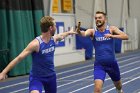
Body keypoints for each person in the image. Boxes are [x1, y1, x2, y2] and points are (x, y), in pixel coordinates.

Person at [0, 16, 76, 93]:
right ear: (51, 28)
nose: (56, 27)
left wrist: (69, 32)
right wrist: (3, 72)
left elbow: (62, 35)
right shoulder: (35, 44)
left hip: (51, 77)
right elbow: (18, 58)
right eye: (55, 25)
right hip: (37, 78)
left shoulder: (54, 39)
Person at [76, 11, 128, 93]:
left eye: (100, 17)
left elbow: (125, 36)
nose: (97, 19)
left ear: (105, 19)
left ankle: (119, 90)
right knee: (97, 90)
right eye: (96, 18)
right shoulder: (92, 31)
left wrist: (112, 36)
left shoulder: (111, 29)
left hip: (112, 64)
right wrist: (79, 31)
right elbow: (83, 33)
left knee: (119, 86)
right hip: (99, 66)